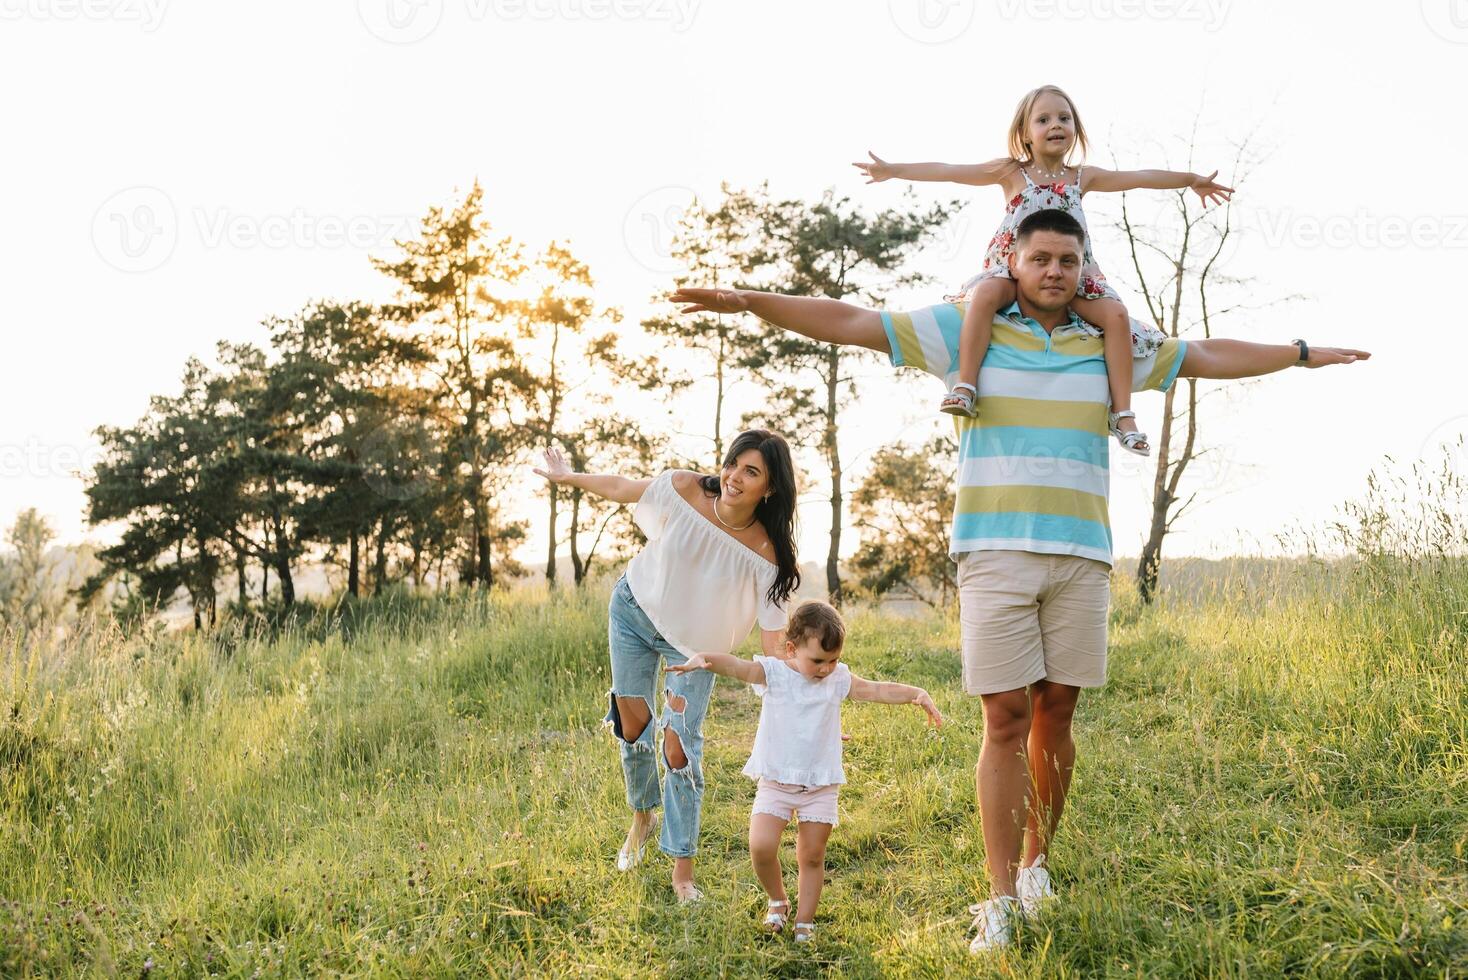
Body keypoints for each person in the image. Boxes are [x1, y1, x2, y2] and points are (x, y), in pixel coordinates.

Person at [670, 207, 1369, 951]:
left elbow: (1205, 355)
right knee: (1003, 717)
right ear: (1015, 261)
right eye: (1040, 259)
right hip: (993, 552)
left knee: (1056, 713)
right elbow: (851, 320)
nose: (1054, 272)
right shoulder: (966, 330)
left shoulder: (1111, 342)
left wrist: (1298, 351)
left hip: (1080, 554)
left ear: (1082, 268)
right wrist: (751, 300)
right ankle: (999, 898)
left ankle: (1037, 864)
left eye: (1068, 261)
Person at [855, 83, 1235, 456]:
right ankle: (966, 386)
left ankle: (1122, 414)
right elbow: (950, 170)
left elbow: (1139, 178)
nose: (1056, 125)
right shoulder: (1010, 172)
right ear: (1025, 133)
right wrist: (893, 169)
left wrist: (1190, 181)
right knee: (986, 295)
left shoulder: (1082, 177)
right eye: (1044, 119)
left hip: (1071, 276)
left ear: (1075, 129)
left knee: (1116, 315)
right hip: (1014, 268)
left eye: (1064, 118)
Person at [532, 430, 800, 902]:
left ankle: (682, 870)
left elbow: (774, 644)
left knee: (679, 749)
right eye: (734, 463)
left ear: (770, 488)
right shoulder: (684, 488)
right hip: (634, 611)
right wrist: (566, 476)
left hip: (693, 652)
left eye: (751, 472)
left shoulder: (766, 553)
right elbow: (622, 487)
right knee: (632, 727)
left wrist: (800, 702)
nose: (734, 476)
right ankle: (642, 816)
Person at [667, 599, 943, 943]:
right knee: (761, 846)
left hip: (820, 785)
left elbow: (875, 688)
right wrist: (703, 660)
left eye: (834, 660)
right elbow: (736, 666)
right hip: (777, 782)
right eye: (817, 660)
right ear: (791, 649)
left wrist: (916, 694)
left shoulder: (838, 678)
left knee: (811, 856)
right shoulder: (774, 673)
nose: (827, 668)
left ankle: (804, 921)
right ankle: (778, 900)